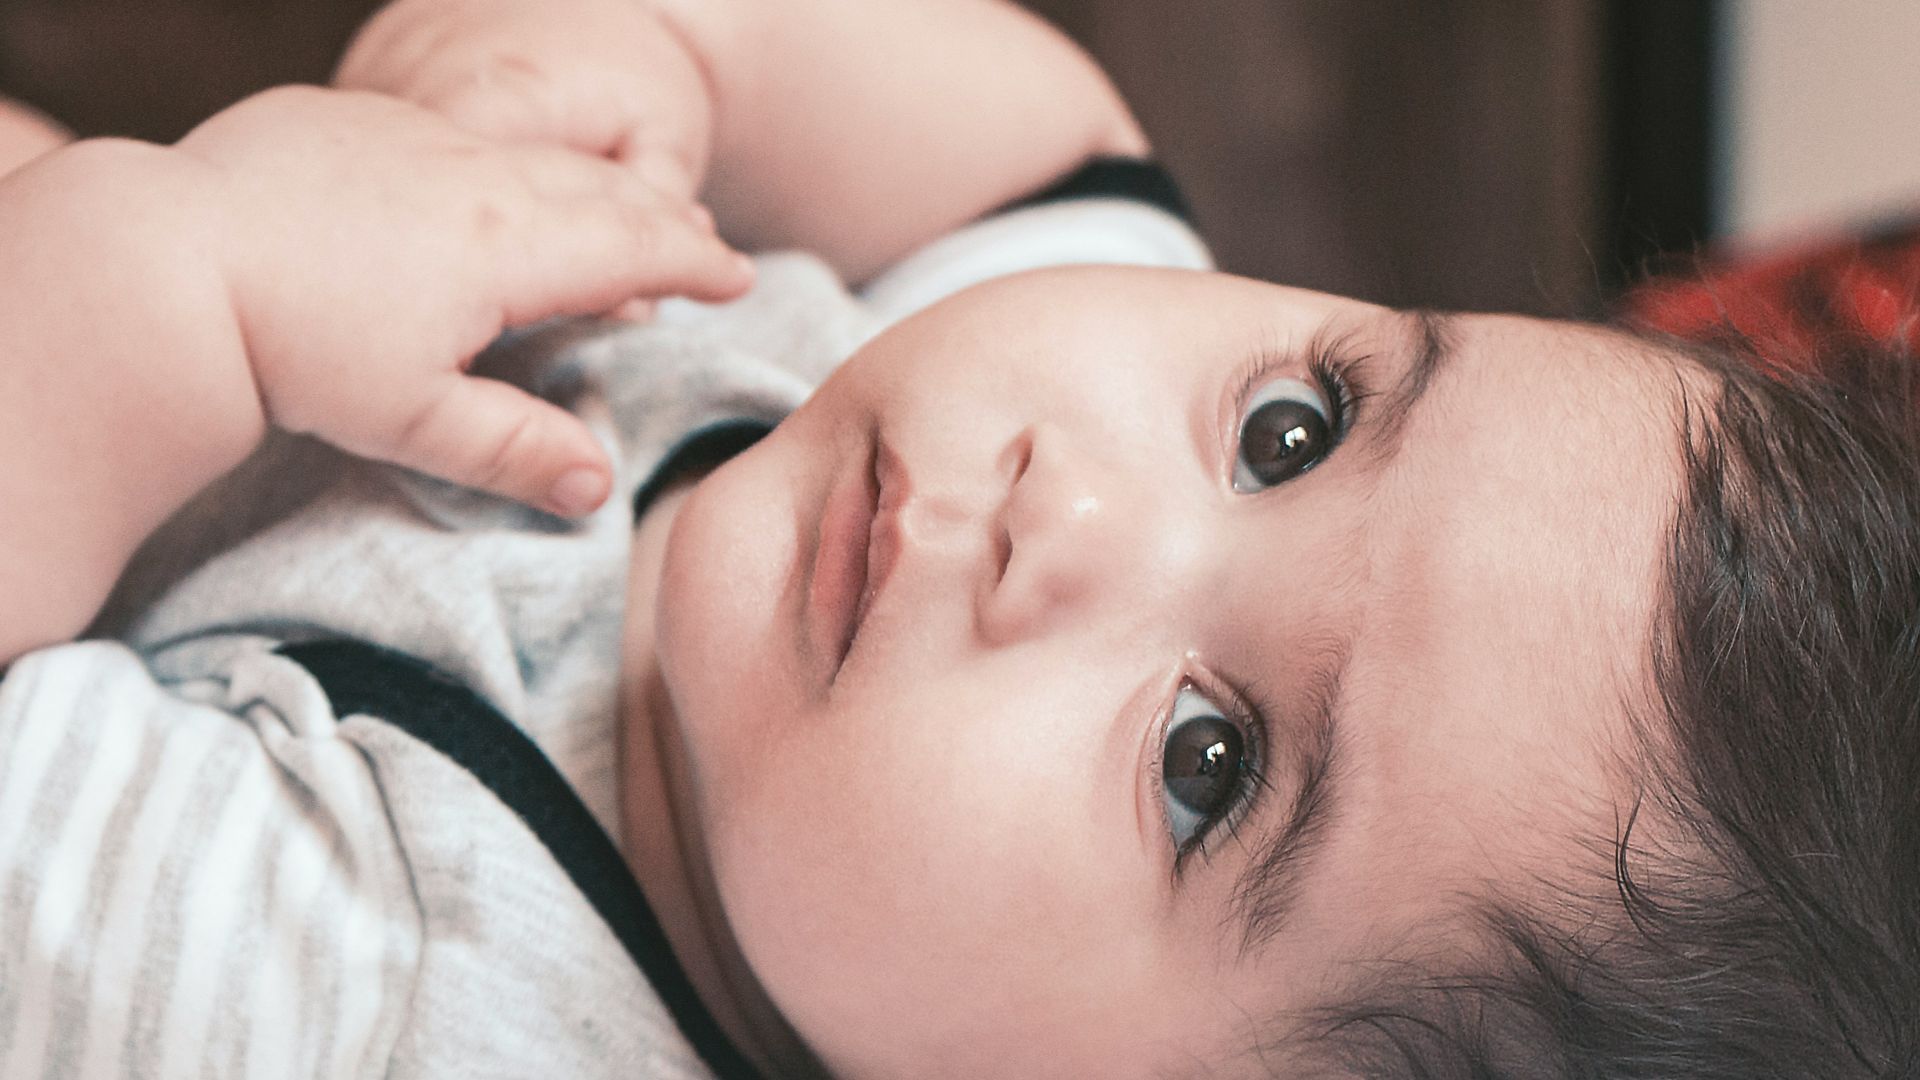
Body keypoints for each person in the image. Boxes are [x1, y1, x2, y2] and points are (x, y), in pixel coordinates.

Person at [1, 2, 1914, 1079]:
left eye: (1210, 766)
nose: (1066, 517)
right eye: (1297, 426)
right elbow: (1035, 148)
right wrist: (680, 58)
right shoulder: (996, 462)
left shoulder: (391, 999)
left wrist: (177, 290)